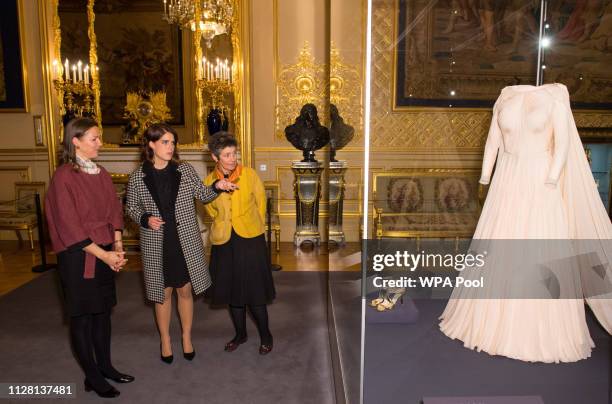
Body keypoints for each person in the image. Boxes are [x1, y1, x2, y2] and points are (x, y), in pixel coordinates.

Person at [125, 124, 236, 364]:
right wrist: (145, 218)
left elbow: (203, 194)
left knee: (185, 290)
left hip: (184, 240)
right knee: (162, 294)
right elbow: (131, 207)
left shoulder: (184, 170)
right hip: (157, 242)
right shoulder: (137, 176)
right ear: (151, 144)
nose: (170, 147)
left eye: (173, 142)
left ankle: (186, 337)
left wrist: (217, 186)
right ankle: (165, 339)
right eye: (165, 142)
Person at [45, 117, 133, 398]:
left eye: (99, 137)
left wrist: (117, 247)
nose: (100, 143)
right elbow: (70, 227)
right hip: (78, 257)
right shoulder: (63, 177)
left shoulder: (102, 173)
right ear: (76, 141)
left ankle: (105, 366)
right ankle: (92, 376)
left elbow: (114, 211)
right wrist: (105, 255)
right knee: (82, 318)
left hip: (106, 251)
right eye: (94, 138)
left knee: (103, 313)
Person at [204, 132, 276, 355]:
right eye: (227, 154)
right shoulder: (209, 182)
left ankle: (266, 335)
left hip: (250, 238)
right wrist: (224, 217)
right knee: (232, 292)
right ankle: (240, 334)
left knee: (254, 292)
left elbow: (261, 201)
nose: (233, 158)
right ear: (215, 158)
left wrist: (256, 224)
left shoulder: (250, 175)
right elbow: (209, 208)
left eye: (234, 153)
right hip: (224, 239)